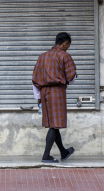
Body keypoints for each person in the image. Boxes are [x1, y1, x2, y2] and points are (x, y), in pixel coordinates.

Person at [32, 32, 77, 163]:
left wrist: (38, 98)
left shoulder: (42, 57)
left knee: (53, 123)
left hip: (44, 92)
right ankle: (46, 155)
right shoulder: (64, 56)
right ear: (65, 44)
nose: (67, 48)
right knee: (54, 124)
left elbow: (34, 78)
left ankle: (63, 152)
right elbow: (71, 78)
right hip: (57, 91)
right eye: (68, 45)